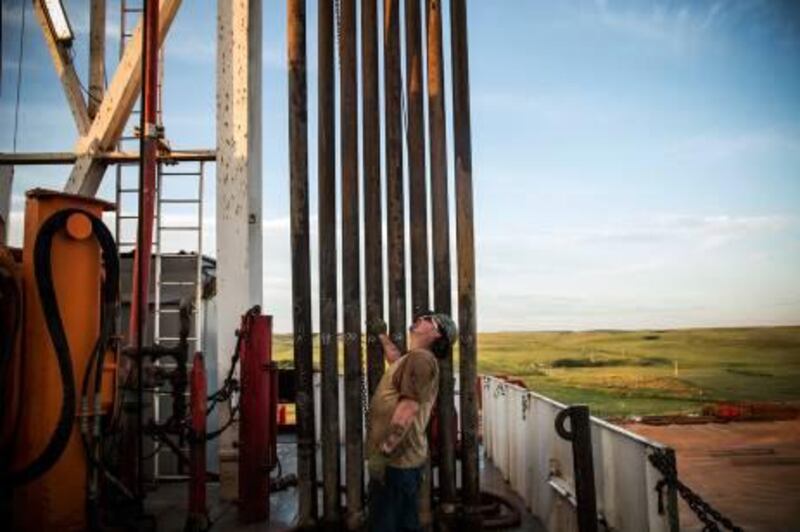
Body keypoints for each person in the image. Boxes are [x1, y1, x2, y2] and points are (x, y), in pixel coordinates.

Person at [365, 312, 458, 532]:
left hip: (396, 462)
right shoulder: (413, 359)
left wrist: (384, 451)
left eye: (428, 319)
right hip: (402, 463)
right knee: (405, 524)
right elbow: (394, 359)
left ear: (436, 334)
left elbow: (408, 409)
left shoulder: (422, 359)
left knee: (385, 525)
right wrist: (382, 336)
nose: (420, 318)